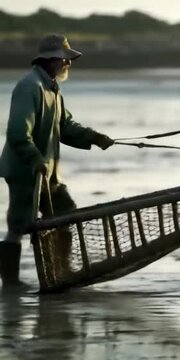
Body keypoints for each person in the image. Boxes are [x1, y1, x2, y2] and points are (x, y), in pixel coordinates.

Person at [0, 34, 114, 291]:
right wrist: (36, 159)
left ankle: (61, 272)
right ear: (51, 61)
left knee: (65, 215)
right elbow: (19, 132)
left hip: (47, 173)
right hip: (25, 171)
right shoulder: (30, 87)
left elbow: (65, 126)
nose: (68, 64)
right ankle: (10, 283)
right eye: (65, 60)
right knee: (18, 225)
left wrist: (94, 137)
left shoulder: (52, 88)